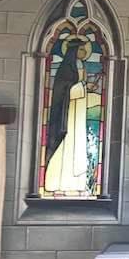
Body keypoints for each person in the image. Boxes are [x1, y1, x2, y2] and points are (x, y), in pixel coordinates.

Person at [44, 37, 90, 193]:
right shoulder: (66, 68)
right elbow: (64, 90)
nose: (84, 52)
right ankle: (58, 181)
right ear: (74, 51)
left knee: (77, 143)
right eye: (81, 49)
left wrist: (85, 85)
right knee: (69, 142)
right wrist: (82, 86)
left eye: (85, 49)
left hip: (79, 111)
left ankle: (77, 182)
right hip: (68, 112)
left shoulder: (79, 66)